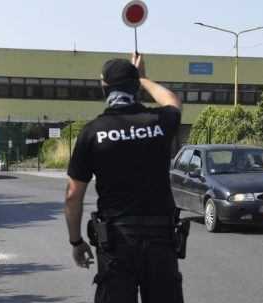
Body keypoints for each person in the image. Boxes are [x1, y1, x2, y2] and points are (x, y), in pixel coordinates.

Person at [64, 53, 184, 303]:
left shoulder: (93, 132)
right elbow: (172, 101)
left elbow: (73, 196)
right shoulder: (159, 122)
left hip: (117, 242)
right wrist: (144, 78)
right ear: (134, 86)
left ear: (104, 87)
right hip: (160, 239)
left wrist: (76, 241)